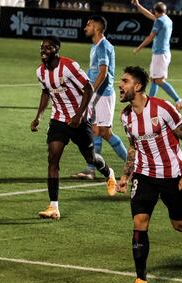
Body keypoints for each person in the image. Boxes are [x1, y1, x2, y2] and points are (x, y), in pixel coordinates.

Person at [116, 66, 182, 283]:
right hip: (144, 176)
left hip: (171, 175)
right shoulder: (125, 116)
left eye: (125, 81)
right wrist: (126, 175)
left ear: (137, 86)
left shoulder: (163, 108)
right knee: (140, 222)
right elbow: (133, 146)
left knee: (180, 225)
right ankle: (140, 280)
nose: (120, 85)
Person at [30, 36, 117, 220]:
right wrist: (38, 116)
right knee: (53, 158)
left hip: (79, 119)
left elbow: (88, 88)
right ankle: (53, 207)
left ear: (56, 49)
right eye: (41, 47)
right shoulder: (40, 72)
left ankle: (109, 173)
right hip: (58, 119)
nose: (43, 50)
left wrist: (79, 115)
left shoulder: (69, 66)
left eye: (47, 47)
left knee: (90, 157)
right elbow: (45, 92)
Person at [71, 15, 127, 180]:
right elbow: (93, 71)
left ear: (96, 27)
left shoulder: (103, 46)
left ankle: (133, 163)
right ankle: (90, 169)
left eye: (88, 25)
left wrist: (91, 91)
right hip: (96, 95)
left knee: (104, 132)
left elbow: (103, 73)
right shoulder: (95, 47)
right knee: (94, 131)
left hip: (103, 95)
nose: (85, 28)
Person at [131, 0, 182, 111]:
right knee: (154, 79)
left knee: (159, 80)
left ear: (156, 11)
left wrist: (139, 48)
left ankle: (178, 100)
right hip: (163, 53)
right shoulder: (167, 19)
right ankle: (149, 102)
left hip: (160, 55)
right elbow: (149, 15)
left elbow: (150, 37)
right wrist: (138, 5)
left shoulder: (159, 22)